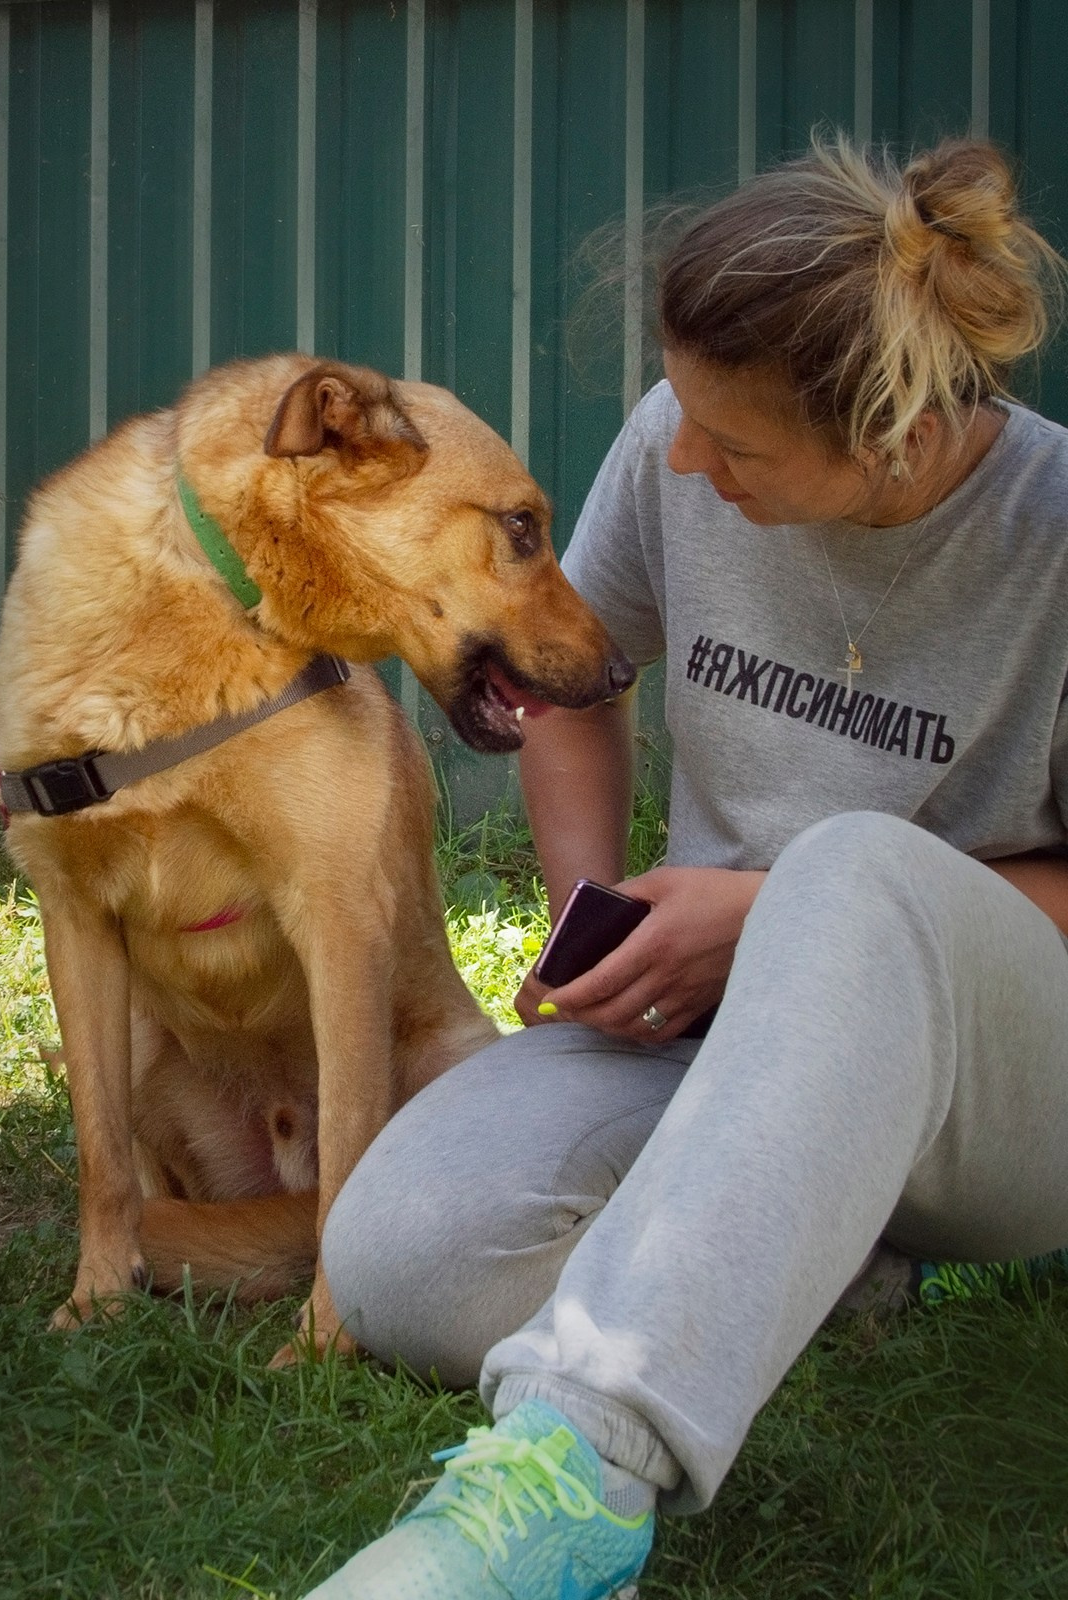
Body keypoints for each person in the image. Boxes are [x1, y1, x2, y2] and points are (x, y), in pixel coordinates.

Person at [298, 135, 1068, 1599]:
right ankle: (818, 1254)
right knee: (402, 1262)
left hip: (1004, 1097)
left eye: (739, 449)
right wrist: (588, 912)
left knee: (852, 872)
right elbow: (574, 683)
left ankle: (576, 1482)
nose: (685, 460)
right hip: (706, 1028)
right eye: (685, 418)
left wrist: (772, 916)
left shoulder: (1056, 534)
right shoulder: (679, 434)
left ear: (897, 437)